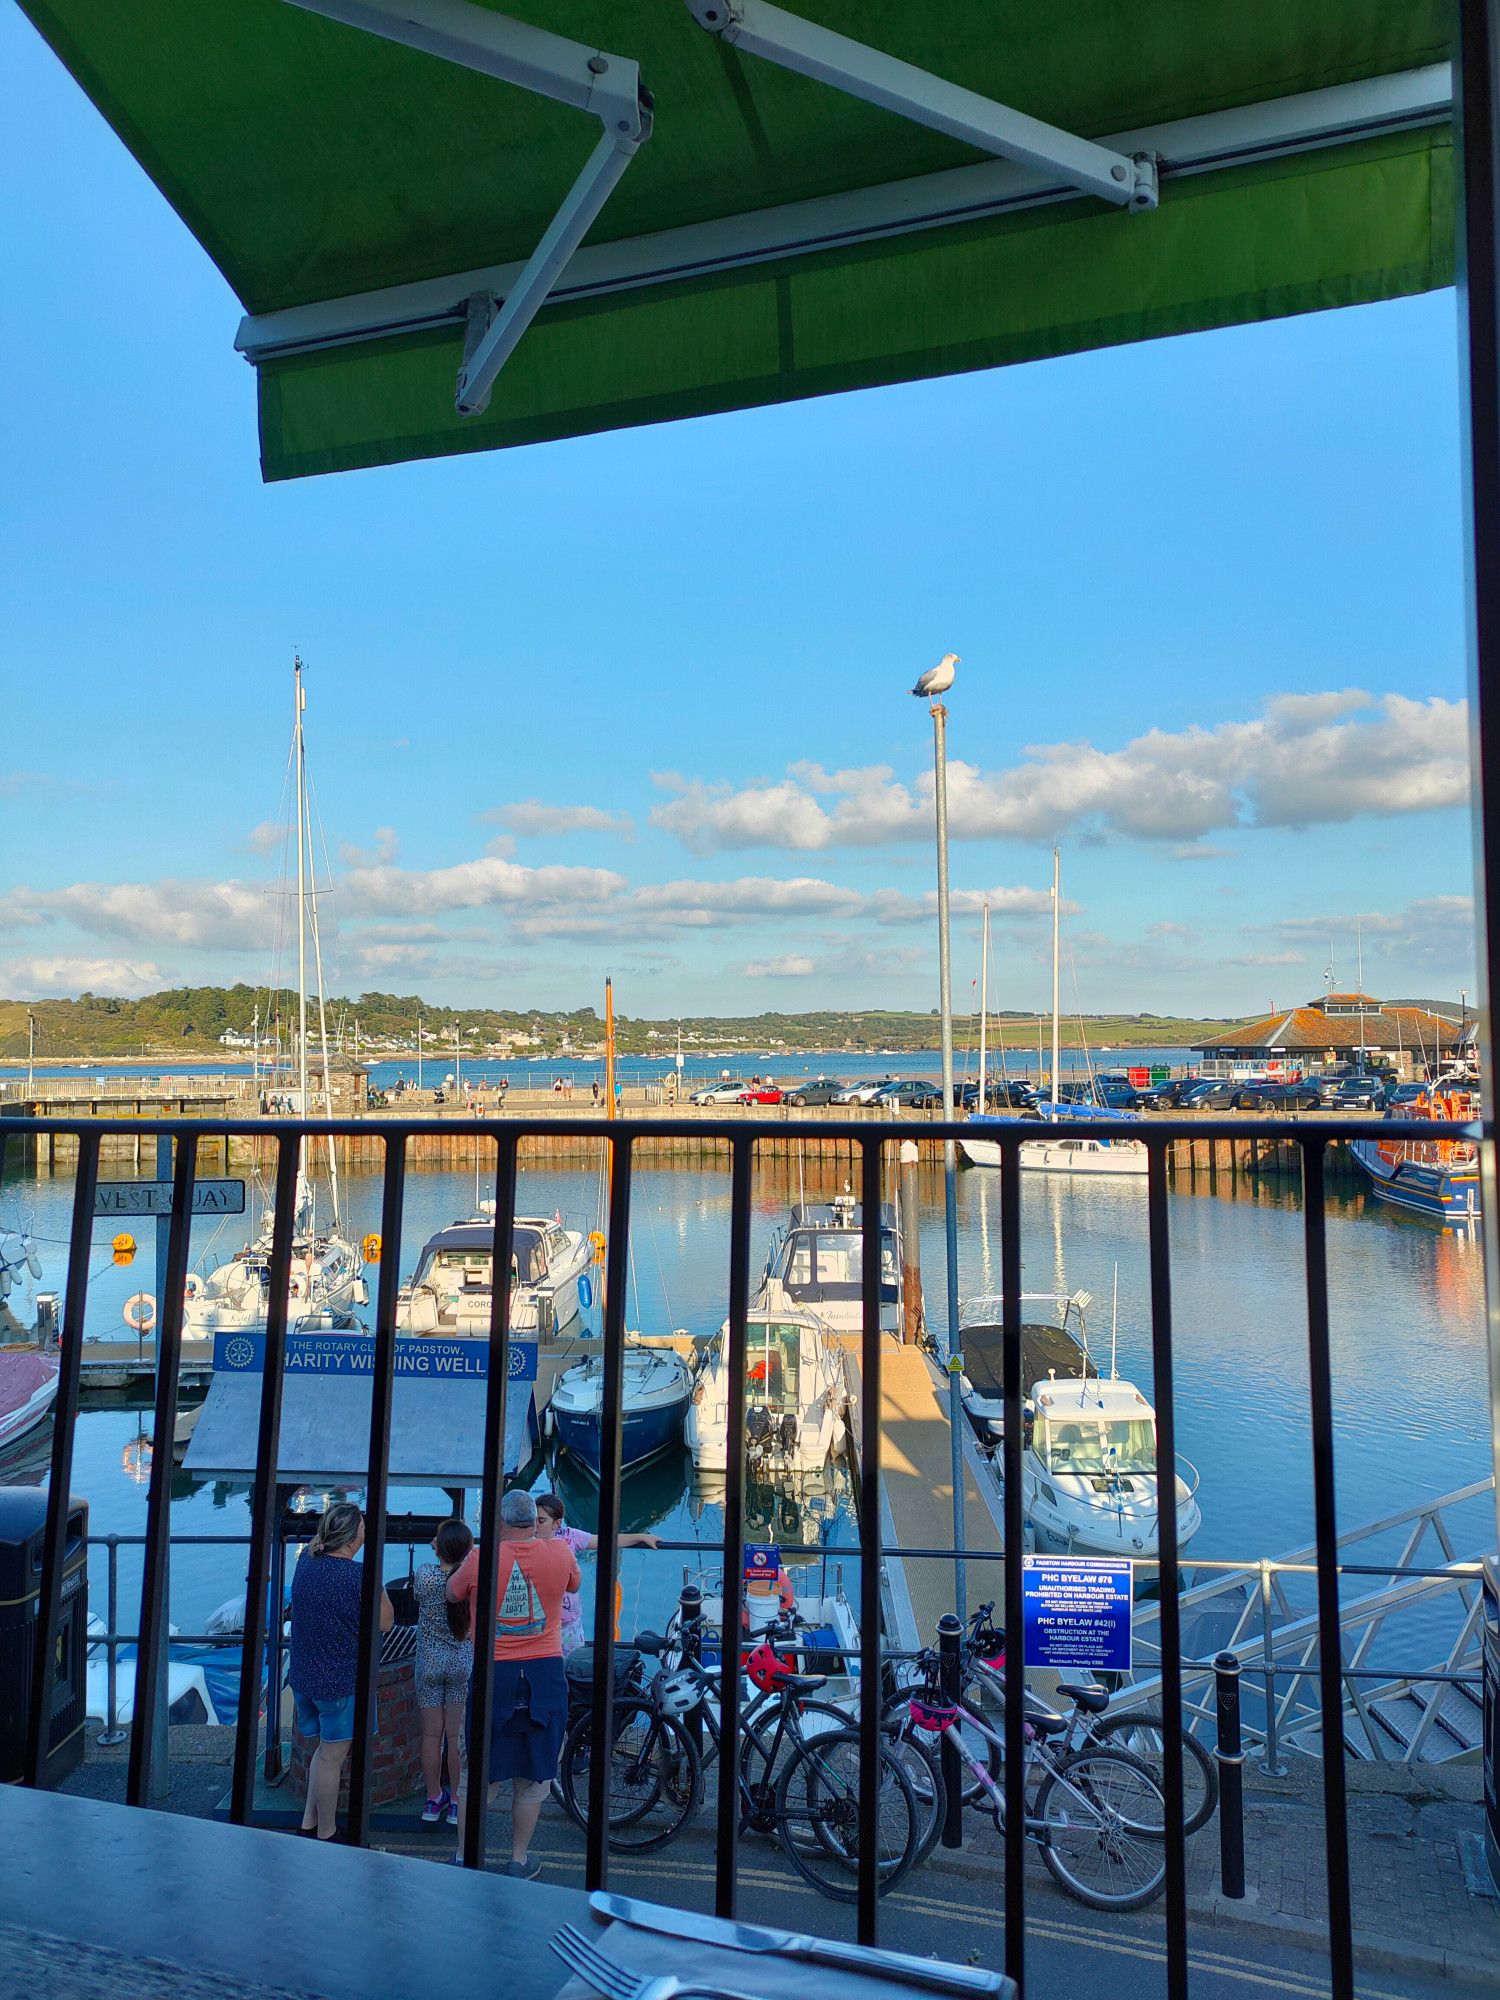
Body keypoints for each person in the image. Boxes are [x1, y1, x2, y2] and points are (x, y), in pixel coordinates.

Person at [446, 1489, 578, 1878]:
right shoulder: (559, 1552)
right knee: (533, 1776)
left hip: (495, 1673)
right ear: (533, 1520)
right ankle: (518, 1859)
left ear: (501, 1522)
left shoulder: (480, 1558)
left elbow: (449, 1592)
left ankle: (464, 1856)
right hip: (546, 1671)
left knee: (480, 1773)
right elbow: (574, 1586)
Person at [288, 1502, 394, 1842]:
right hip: (340, 1682)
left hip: (305, 1675)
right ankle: (328, 1832)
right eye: (362, 1527)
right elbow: (386, 1622)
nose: (366, 1532)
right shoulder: (359, 1575)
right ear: (352, 1537)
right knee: (333, 1757)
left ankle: (308, 1823)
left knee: (322, 1750)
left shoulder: (306, 1562)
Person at [534, 1493, 662, 1656]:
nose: (535, 1525)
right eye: (534, 1519)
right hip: (542, 1625)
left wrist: (641, 1537)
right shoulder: (528, 1542)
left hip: (569, 1624)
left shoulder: (570, 1537)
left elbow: (606, 1540)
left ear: (556, 1523)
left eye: (541, 1520)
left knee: (573, 1668)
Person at [413, 1518, 475, 1826]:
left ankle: (432, 1797)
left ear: (438, 1546)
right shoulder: (470, 1578)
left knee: (431, 1735)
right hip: (462, 1662)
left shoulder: (425, 1576)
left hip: (429, 1663)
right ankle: (456, 1800)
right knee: (455, 1736)